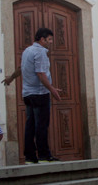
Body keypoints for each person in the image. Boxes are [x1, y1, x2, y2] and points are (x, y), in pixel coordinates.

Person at [21, 27, 61, 164]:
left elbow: (24, 69)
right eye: (49, 39)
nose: (50, 42)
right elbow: (40, 73)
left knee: (30, 125)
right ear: (42, 39)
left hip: (27, 93)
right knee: (41, 125)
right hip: (39, 94)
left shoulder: (27, 51)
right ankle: (44, 155)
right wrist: (52, 90)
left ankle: (30, 157)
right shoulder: (40, 52)